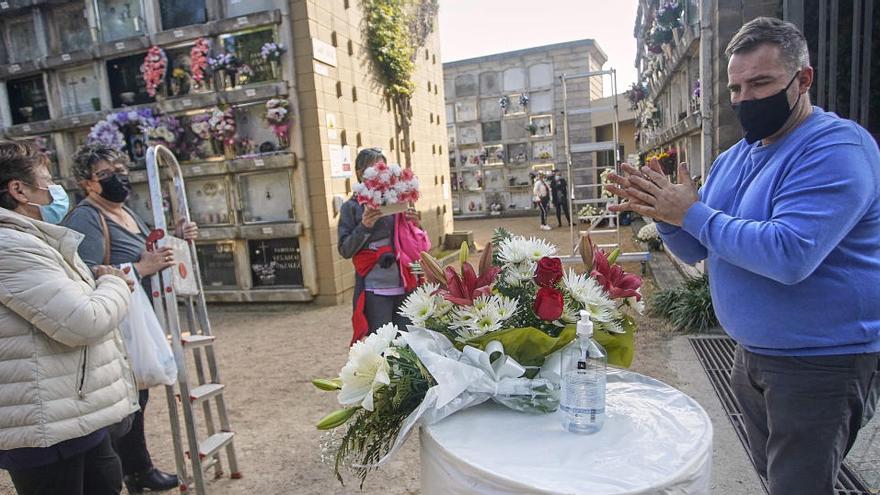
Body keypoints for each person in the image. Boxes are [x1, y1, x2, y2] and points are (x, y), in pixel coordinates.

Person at [607, 17, 880, 494]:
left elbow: (790, 254)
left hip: (822, 360)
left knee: (799, 485)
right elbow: (698, 247)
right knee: (780, 478)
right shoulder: (736, 157)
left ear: (803, 80)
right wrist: (667, 216)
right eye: (735, 87)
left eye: (761, 83)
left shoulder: (835, 148)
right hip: (753, 352)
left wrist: (691, 213)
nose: (745, 99)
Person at [0, 139, 139, 495]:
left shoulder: (33, 238)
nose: (56, 192)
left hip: (71, 409)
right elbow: (82, 319)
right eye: (47, 182)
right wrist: (114, 282)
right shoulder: (9, 246)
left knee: (107, 482)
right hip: (46, 425)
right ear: (19, 190)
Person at [63, 144, 198, 493]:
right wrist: (138, 269)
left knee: (136, 399)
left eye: (121, 169)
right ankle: (118, 474)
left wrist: (178, 237)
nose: (118, 178)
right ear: (87, 184)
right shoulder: (86, 217)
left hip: (135, 319)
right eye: (106, 174)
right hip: (112, 324)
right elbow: (81, 275)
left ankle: (138, 470)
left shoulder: (126, 212)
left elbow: (149, 247)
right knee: (119, 407)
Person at [338, 148, 426, 344]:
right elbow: (344, 249)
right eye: (375, 168)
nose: (381, 173)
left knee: (408, 343)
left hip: (406, 283)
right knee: (382, 346)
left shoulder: (398, 199)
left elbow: (415, 243)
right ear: (361, 173)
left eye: (383, 168)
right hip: (375, 290)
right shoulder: (351, 207)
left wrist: (417, 224)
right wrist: (364, 226)